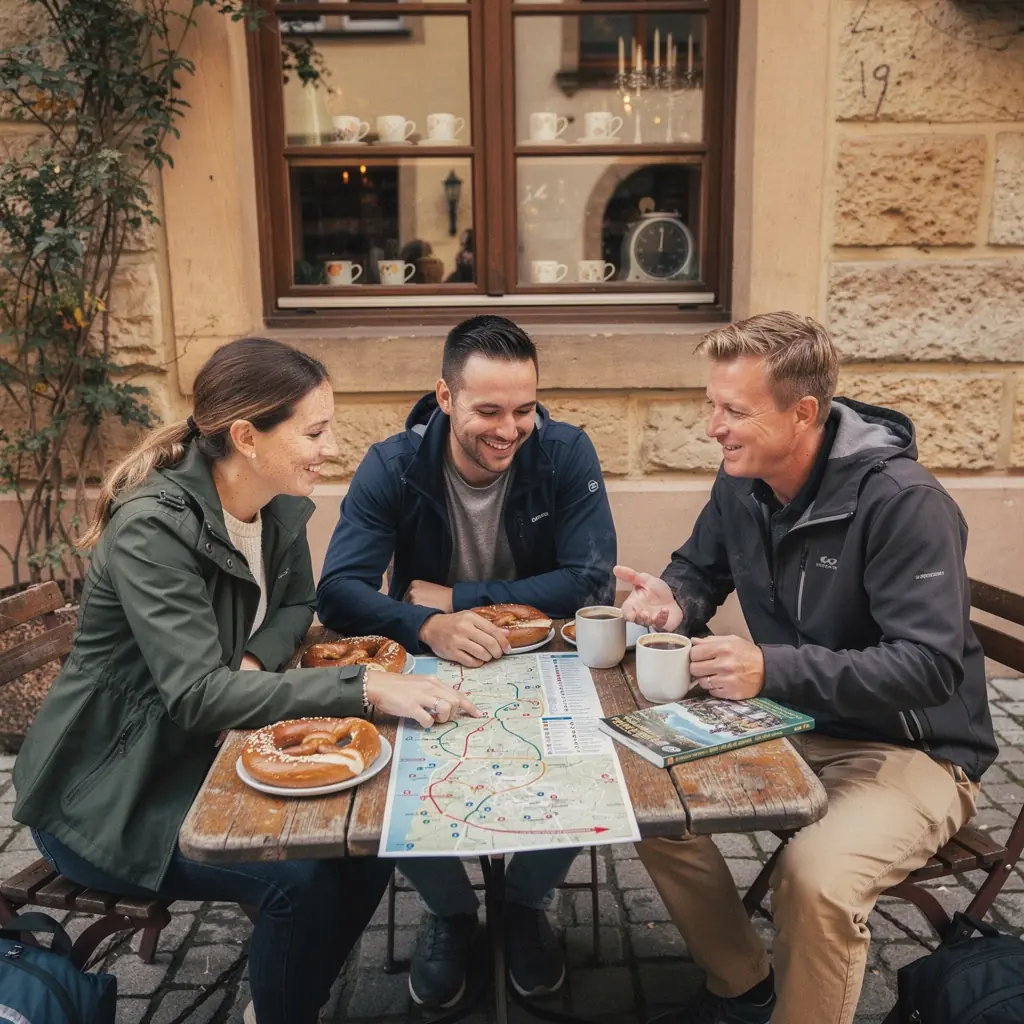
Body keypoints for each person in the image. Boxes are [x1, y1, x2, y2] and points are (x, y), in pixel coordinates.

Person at [12, 337, 478, 1024]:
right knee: (298, 883)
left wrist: (254, 665)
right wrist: (365, 688)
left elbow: (296, 604)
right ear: (245, 436)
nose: (332, 447)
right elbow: (200, 694)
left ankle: (286, 999)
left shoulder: (275, 503)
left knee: (377, 834)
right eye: (314, 431)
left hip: (207, 758)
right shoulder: (153, 531)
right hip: (111, 799)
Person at [615, 312, 996, 1024]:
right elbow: (700, 566)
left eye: (733, 410)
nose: (712, 427)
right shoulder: (742, 481)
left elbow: (930, 666)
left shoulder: (905, 503)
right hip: (795, 721)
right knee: (645, 798)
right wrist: (674, 602)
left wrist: (771, 669)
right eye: (711, 404)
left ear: (805, 413)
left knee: (815, 879)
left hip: (918, 749)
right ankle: (743, 984)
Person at [317, 314, 617, 1008]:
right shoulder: (391, 465)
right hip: (425, 660)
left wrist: (462, 598)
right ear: (445, 398)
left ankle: (526, 902)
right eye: (487, 409)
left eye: (523, 408)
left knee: (588, 757)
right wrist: (429, 623)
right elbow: (338, 592)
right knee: (390, 768)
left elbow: (592, 580)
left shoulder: (566, 453)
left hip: (543, 654)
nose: (509, 429)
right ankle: (450, 911)